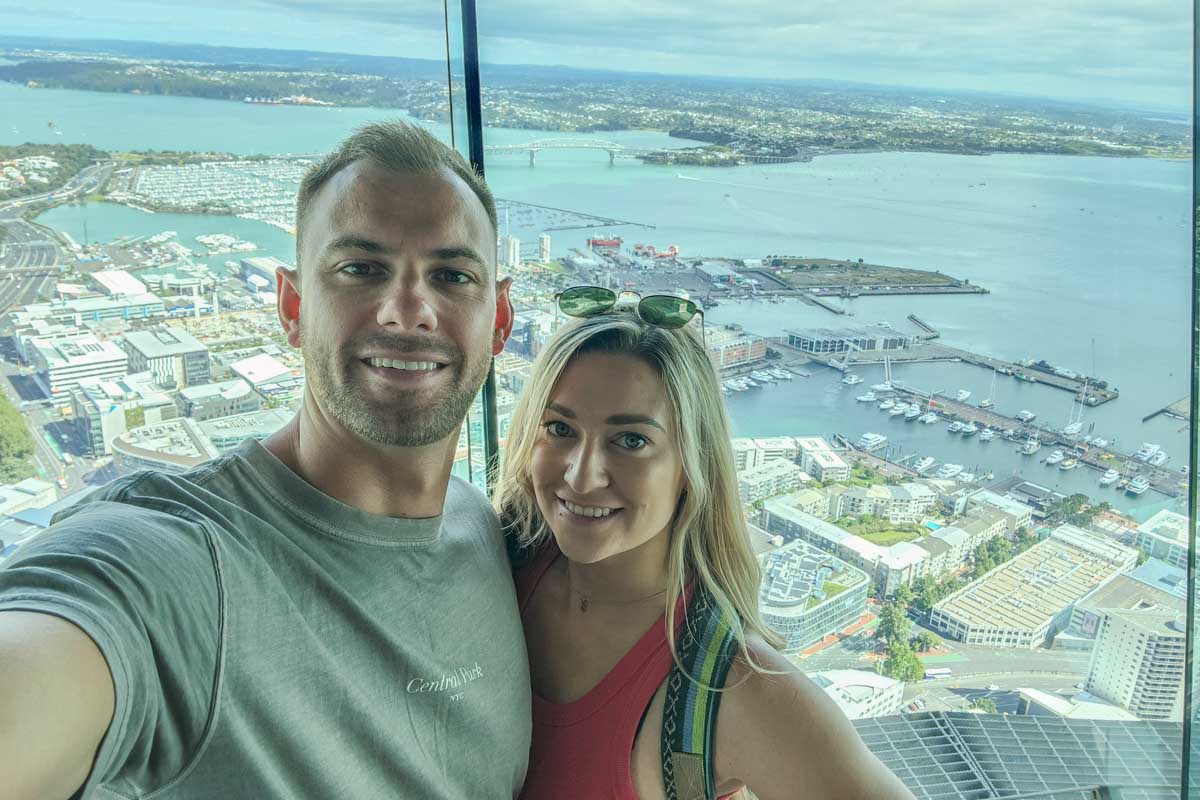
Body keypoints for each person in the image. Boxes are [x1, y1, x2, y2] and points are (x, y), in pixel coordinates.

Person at [0, 121, 531, 799]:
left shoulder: (483, 530)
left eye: (452, 275)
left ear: (502, 320)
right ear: (292, 307)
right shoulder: (177, 566)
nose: (409, 311)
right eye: (361, 269)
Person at [494, 298, 915, 800]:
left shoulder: (735, 690)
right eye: (560, 429)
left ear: (692, 465)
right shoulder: (491, 567)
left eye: (629, 440)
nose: (581, 475)